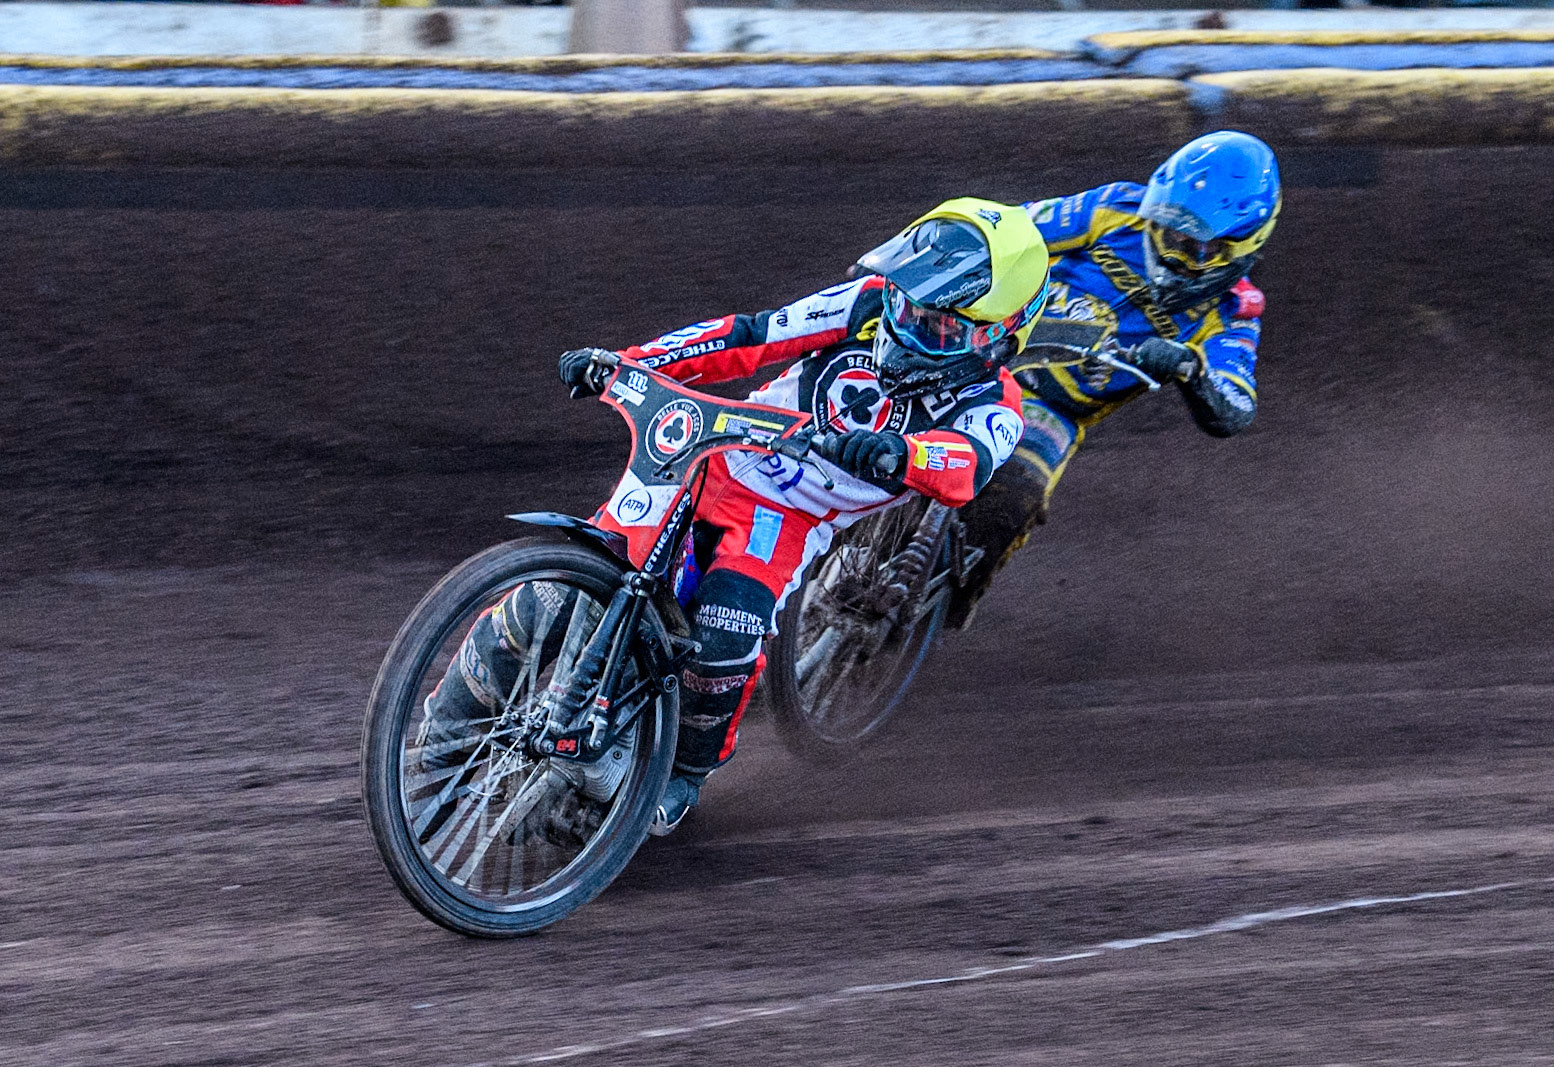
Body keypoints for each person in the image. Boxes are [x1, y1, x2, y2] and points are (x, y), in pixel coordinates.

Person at [418, 198, 1051, 835]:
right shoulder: (865, 304)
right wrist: (629, 362)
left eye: (936, 326)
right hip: (711, 456)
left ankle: (682, 775)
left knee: (723, 640)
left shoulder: (996, 404)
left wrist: (903, 451)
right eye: (905, 304)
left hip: (787, 520)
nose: (906, 325)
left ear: (999, 334)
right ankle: (432, 752)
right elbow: (750, 336)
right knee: (557, 596)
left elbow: (964, 464)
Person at [944, 130, 1280, 629]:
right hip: (980, 344)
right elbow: (1010, 230)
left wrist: (1189, 369)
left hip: (1047, 408)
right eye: (1167, 229)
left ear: (1240, 248)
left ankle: (928, 615)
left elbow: (1235, 405)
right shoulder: (1115, 208)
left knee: (1012, 497)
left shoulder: (1233, 314)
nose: (1172, 248)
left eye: (1194, 245)